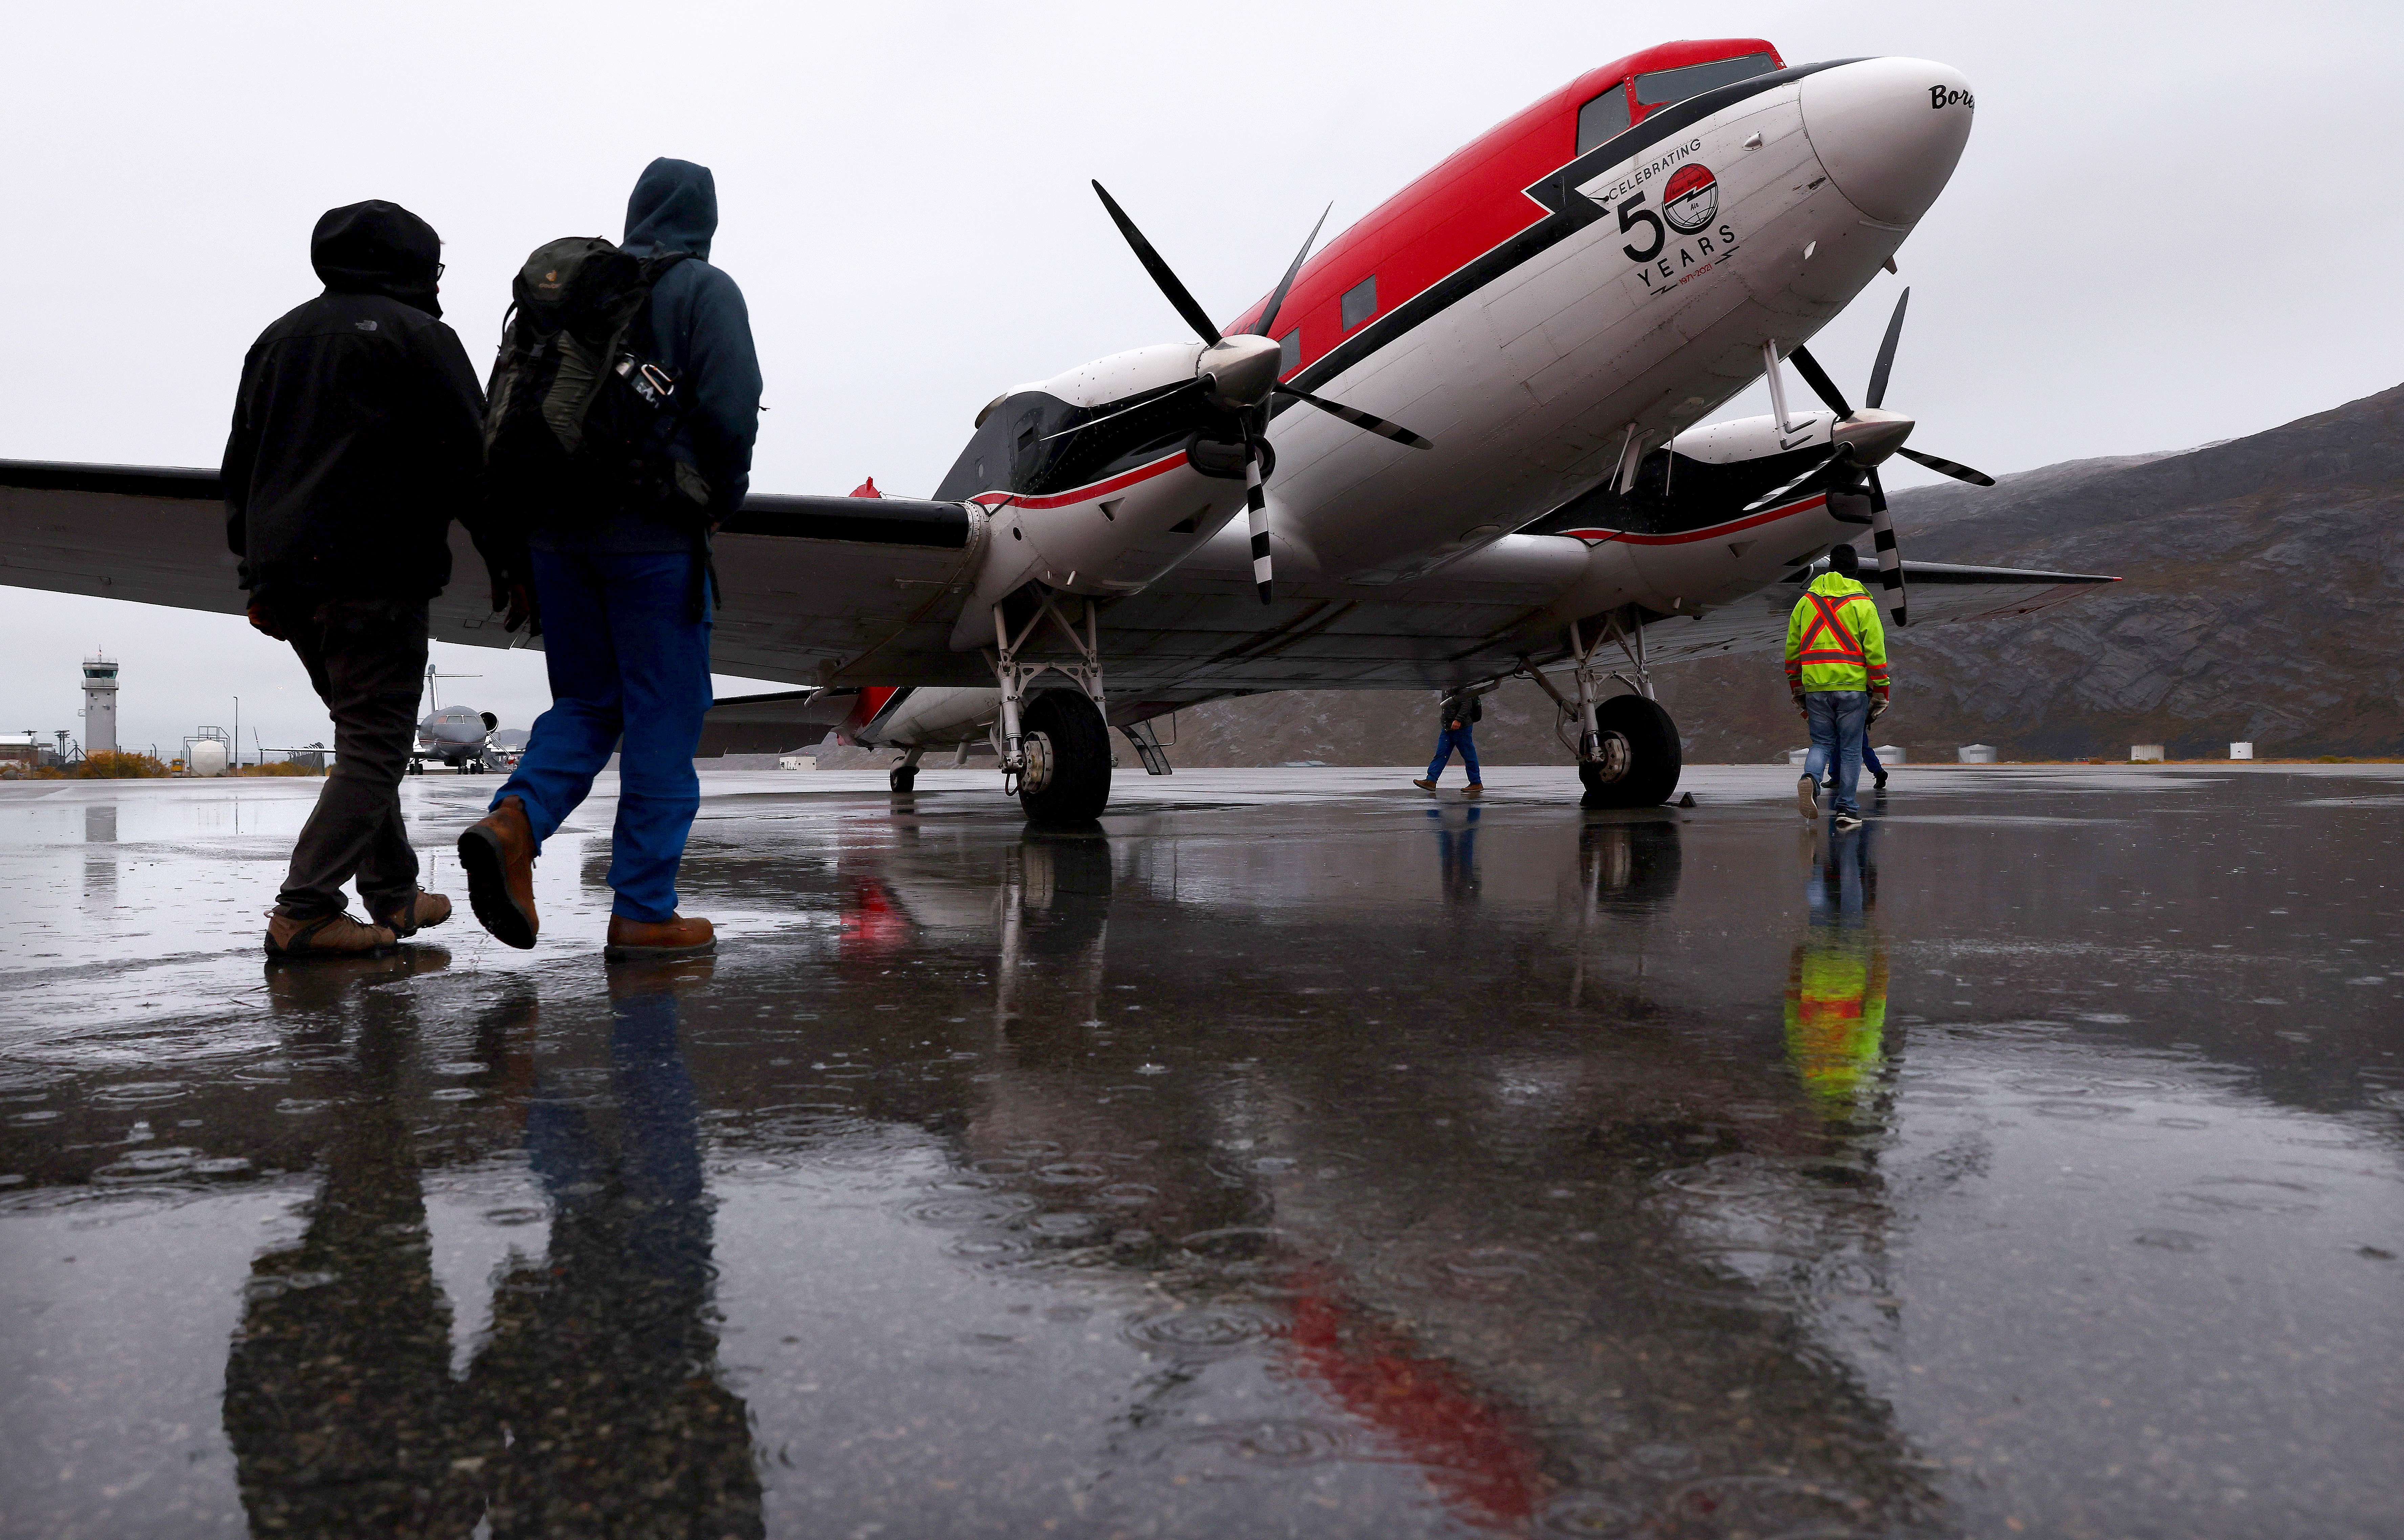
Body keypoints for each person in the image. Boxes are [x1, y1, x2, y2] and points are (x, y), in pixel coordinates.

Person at [459, 159, 763, 961]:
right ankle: (642, 910)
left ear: (635, 213)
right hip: (652, 534)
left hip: (554, 535)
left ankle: (513, 821)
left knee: (589, 704)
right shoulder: (703, 290)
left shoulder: (580, 294)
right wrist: (716, 499)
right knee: (665, 712)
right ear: (704, 220)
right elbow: (731, 411)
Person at [226, 200, 521, 960]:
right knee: (378, 745)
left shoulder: (275, 340)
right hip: (374, 573)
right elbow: (473, 464)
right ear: (411, 265)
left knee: (367, 737)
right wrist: (510, 562)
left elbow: (242, 470)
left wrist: (254, 573)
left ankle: (392, 894)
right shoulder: (419, 337)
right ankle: (305, 908)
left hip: (290, 582)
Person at [1786, 544, 1888, 831]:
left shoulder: (1806, 603)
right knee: (1852, 750)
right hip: (1852, 688)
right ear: (1855, 570)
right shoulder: (1863, 603)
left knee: (1822, 743)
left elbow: (1792, 651)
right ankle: (1847, 810)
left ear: (1830, 569)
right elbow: (1875, 650)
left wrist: (1797, 687)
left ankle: (1811, 779)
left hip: (1816, 687)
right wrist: (1882, 690)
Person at [1414, 682, 1493, 795]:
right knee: (1441, 754)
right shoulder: (1447, 685)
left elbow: (1467, 704)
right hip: (1448, 727)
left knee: (1469, 755)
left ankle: (1476, 783)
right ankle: (1431, 780)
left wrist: (1459, 720)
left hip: (1461, 728)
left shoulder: (1461, 684)